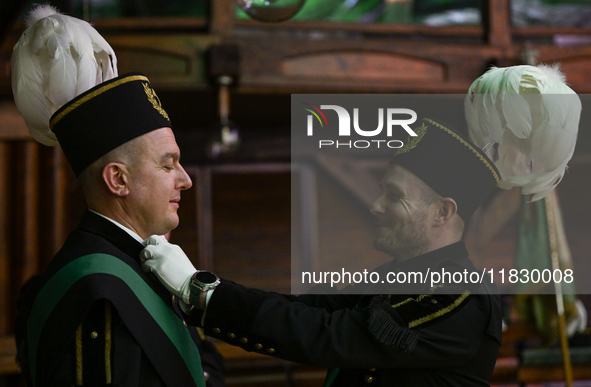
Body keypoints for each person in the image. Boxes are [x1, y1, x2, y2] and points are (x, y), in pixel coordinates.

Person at [141, 117, 503, 386]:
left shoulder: (461, 295)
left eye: (394, 197)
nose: (375, 206)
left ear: (443, 212)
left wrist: (201, 289)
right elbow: (306, 309)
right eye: (381, 191)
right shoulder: (396, 277)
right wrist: (206, 294)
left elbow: (326, 334)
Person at [14, 72, 226, 387]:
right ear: (118, 180)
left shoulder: (139, 267)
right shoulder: (96, 288)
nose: (186, 180)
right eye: (168, 166)